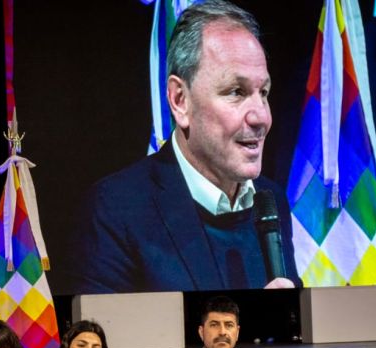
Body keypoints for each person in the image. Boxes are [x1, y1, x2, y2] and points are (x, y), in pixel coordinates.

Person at [73, 0, 299, 294]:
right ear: (180, 100)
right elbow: (99, 338)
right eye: (236, 92)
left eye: (263, 92)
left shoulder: (271, 203)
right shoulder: (116, 210)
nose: (262, 117)